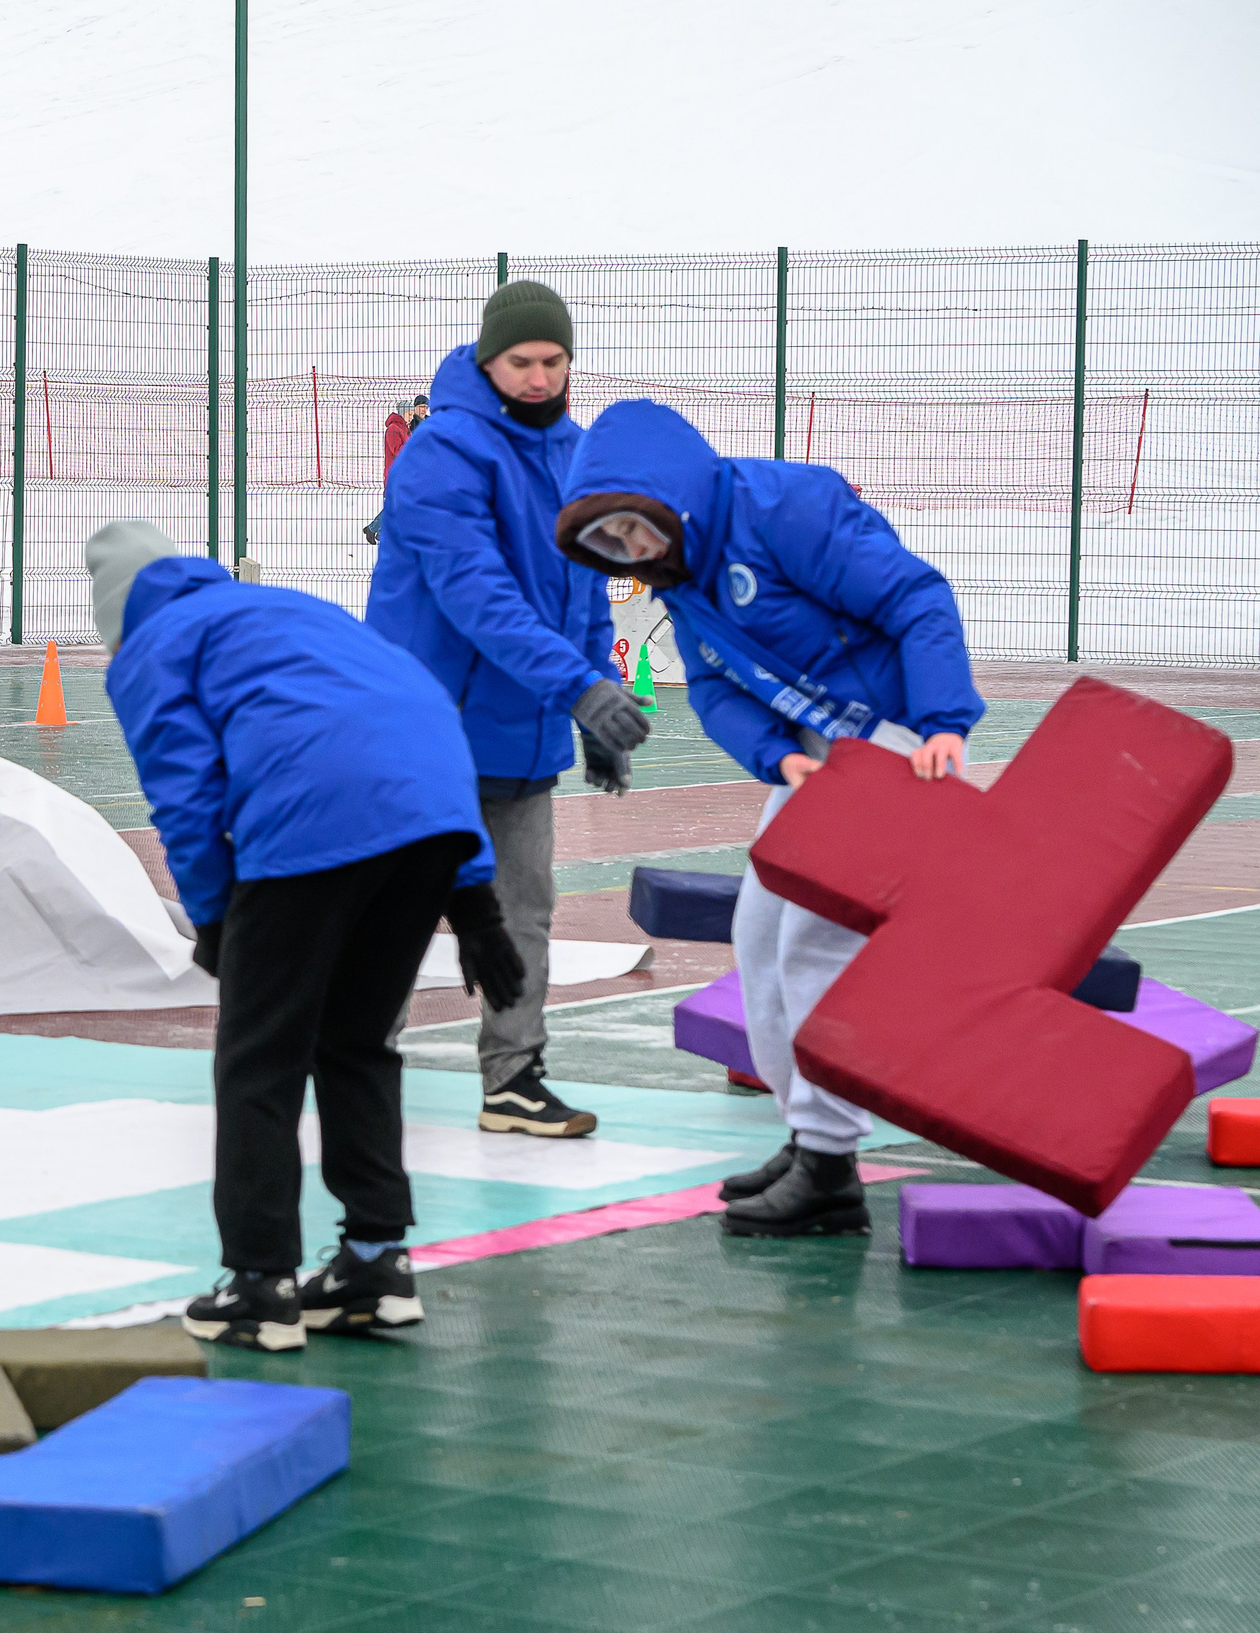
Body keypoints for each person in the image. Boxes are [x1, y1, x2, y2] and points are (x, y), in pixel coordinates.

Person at [88, 519, 524, 1352]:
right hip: (430, 817)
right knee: (357, 1041)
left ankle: (259, 1283)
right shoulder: (286, 610)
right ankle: (375, 1261)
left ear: (116, 614)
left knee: (260, 1057)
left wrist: (216, 918)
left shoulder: (152, 645)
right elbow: (421, 714)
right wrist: (473, 900)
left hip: (308, 824)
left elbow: (185, 794)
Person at [555, 399, 983, 1236]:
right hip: (821, 759)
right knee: (758, 932)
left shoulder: (787, 509)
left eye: (634, 527)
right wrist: (776, 757)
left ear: (672, 495)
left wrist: (942, 723)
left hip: (895, 744)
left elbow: (917, 597)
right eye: (609, 542)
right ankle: (808, 1136)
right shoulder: (684, 577)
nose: (631, 551)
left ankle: (830, 1162)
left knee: (814, 941)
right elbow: (715, 687)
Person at [366, 280, 650, 1140]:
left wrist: (593, 704)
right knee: (397, 911)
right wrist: (578, 689)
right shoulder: (441, 453)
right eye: (521, 360)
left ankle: (514, 1080)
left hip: (521, 730)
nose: (538, 376)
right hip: (428, 732)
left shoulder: (576, 453)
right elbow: (476, 597)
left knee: (525, 909)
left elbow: (586, 591)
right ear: (488, 360)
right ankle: (354, 1061)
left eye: (553, 360)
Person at [361, 396, 428, 545]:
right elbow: (397, 449)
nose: (411, 417)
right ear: (402, 413)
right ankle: (374, 529)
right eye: (409, 414)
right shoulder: (393, 429)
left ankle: (379, 532)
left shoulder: (404, 428)